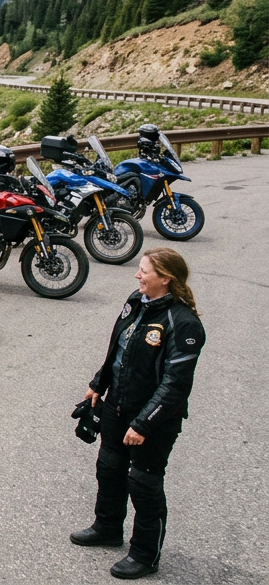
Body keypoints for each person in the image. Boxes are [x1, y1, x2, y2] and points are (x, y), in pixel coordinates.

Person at [70, 248, 205, 580]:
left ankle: (145, 555)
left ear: (165, 278)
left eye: (144, 271)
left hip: (155, 418)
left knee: (143, 483)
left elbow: (175, 385)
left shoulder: (184, 324)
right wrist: (97, 384)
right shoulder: (136, 300)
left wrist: (144, 423)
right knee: (109, 467)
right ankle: (107, 528)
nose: (137, 275)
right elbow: (117, 346)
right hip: (117, 405)